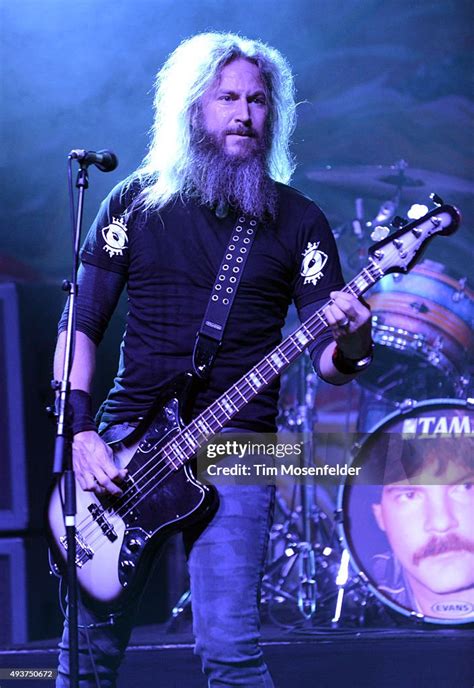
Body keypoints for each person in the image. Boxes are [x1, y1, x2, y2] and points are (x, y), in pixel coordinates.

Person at [53, 32, 373, 687]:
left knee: (231, 654)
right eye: (227, 97)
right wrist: (81, 430)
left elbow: (331, 365)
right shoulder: (133, 203)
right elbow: (80, 324)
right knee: (86, 654)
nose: (244, 113)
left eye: (258, 100)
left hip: (243, 448)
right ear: (192, 108)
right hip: (125, 440)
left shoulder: (298, 221)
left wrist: (356, 335)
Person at [370, 436, 474, 620]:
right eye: (409, 495)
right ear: (380, 517)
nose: (441, 524)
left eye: (465, 487)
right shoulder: (355, 613)